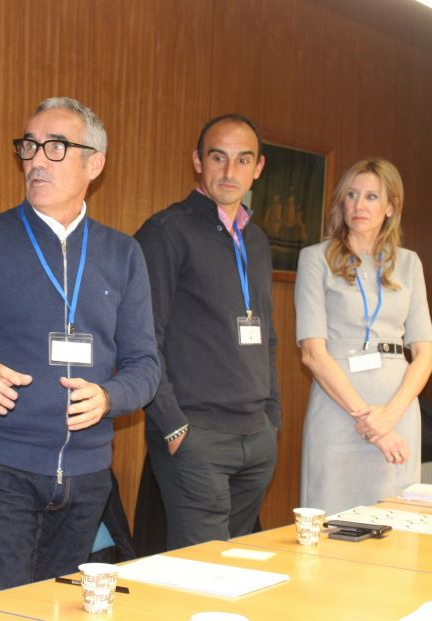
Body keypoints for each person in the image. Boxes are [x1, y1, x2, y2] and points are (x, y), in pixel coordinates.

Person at [0, 97, 160, 596]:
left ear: (95, 163)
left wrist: (111, 397)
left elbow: (146, 365)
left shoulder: (122, 253)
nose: (36, 160)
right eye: (29, 146)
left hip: (89, 474)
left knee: (56, 607)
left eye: (55, 147)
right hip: (2, 465)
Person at [134, 113, 280, 549]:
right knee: (202, 569)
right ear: (198, 161)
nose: (230, 172)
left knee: (233, 565)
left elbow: (267, 335)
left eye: (242, 160)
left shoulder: (256, 241)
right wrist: (173, 426)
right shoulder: (165, 232)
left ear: (258, 168)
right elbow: (143, 340)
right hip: (197, 436)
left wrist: (273, 418)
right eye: (218, 157)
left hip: (256, 437)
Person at [295, 158, 432, 515]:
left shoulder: (410, 263)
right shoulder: (315, 259)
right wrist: (373, 423)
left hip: (397, 404)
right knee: (332, 522)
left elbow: (424, 354)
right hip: (338, 406)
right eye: (352, 195)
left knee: (397, 526)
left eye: (372, 196)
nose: (359, 205)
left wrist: (390, 416)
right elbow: (312, 353)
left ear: (391, 207)